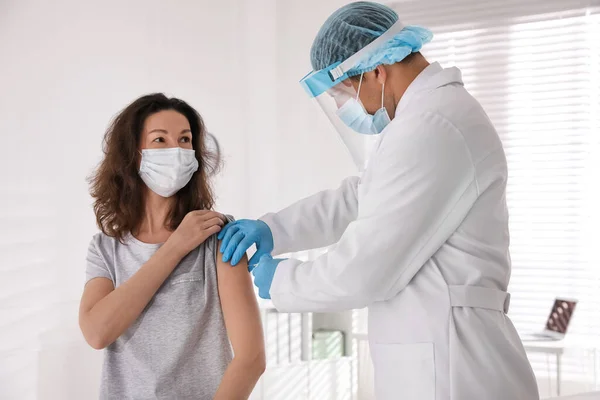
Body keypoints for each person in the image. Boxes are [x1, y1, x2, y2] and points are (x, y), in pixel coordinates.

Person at [219, 2, 539, 400]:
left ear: (376, 70)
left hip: (455, 368)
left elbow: (365, 269)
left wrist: (283, 280)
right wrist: (275, 228)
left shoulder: (433, 125)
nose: (344, 107)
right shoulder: (424, 120)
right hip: (439, 353)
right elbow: (362, 195)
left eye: (344, 91)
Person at [79, 93, 265, 399]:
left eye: (184, 139)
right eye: (160, 140)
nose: (176, 150)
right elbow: (97, 333)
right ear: (132, 153)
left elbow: (251, 358)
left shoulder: (217, 235)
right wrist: (174, 248)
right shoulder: (105, 248)